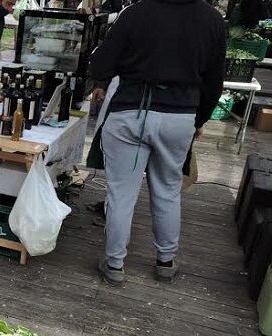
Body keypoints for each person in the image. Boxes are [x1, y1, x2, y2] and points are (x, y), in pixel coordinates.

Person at [89, 0, 225, 285]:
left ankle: (115, 264)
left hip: (130, 113)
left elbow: (101, 62)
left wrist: (104, 77)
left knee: (121, 193)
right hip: (179, 117)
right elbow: (215, 81)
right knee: (167, 190)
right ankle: (165, 261)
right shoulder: (212, 20)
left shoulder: (136, 12)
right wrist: (199, 121)